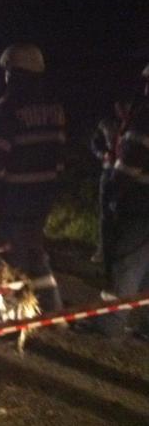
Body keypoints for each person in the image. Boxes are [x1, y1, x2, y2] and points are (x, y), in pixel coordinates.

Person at [0, 43, 66, 312]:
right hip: (42, 198)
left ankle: (14, 316)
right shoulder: (54, 108)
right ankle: (53, 308)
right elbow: (59, 156)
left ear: (14, 73)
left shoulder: (9, 106)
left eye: (8, 72)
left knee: (9, 260)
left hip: (13, 201)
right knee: (35, 251)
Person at [90, 64, 149, 339]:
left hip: (140, 202)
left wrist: (114, 193)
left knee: (125, 264)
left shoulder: (145, 116)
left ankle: (108, 326)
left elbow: (129, 162)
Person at [89, 96, 131, 275]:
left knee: (123, 214)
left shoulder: (134, 124)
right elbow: (95, 143)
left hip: (127, 175)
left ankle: (122, 252)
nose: (122, 109)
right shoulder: (106, 124)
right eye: (119, 106)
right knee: (105, 213)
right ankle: (103, 250)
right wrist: (103, 154)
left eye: (125, 106)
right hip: (108, 172)